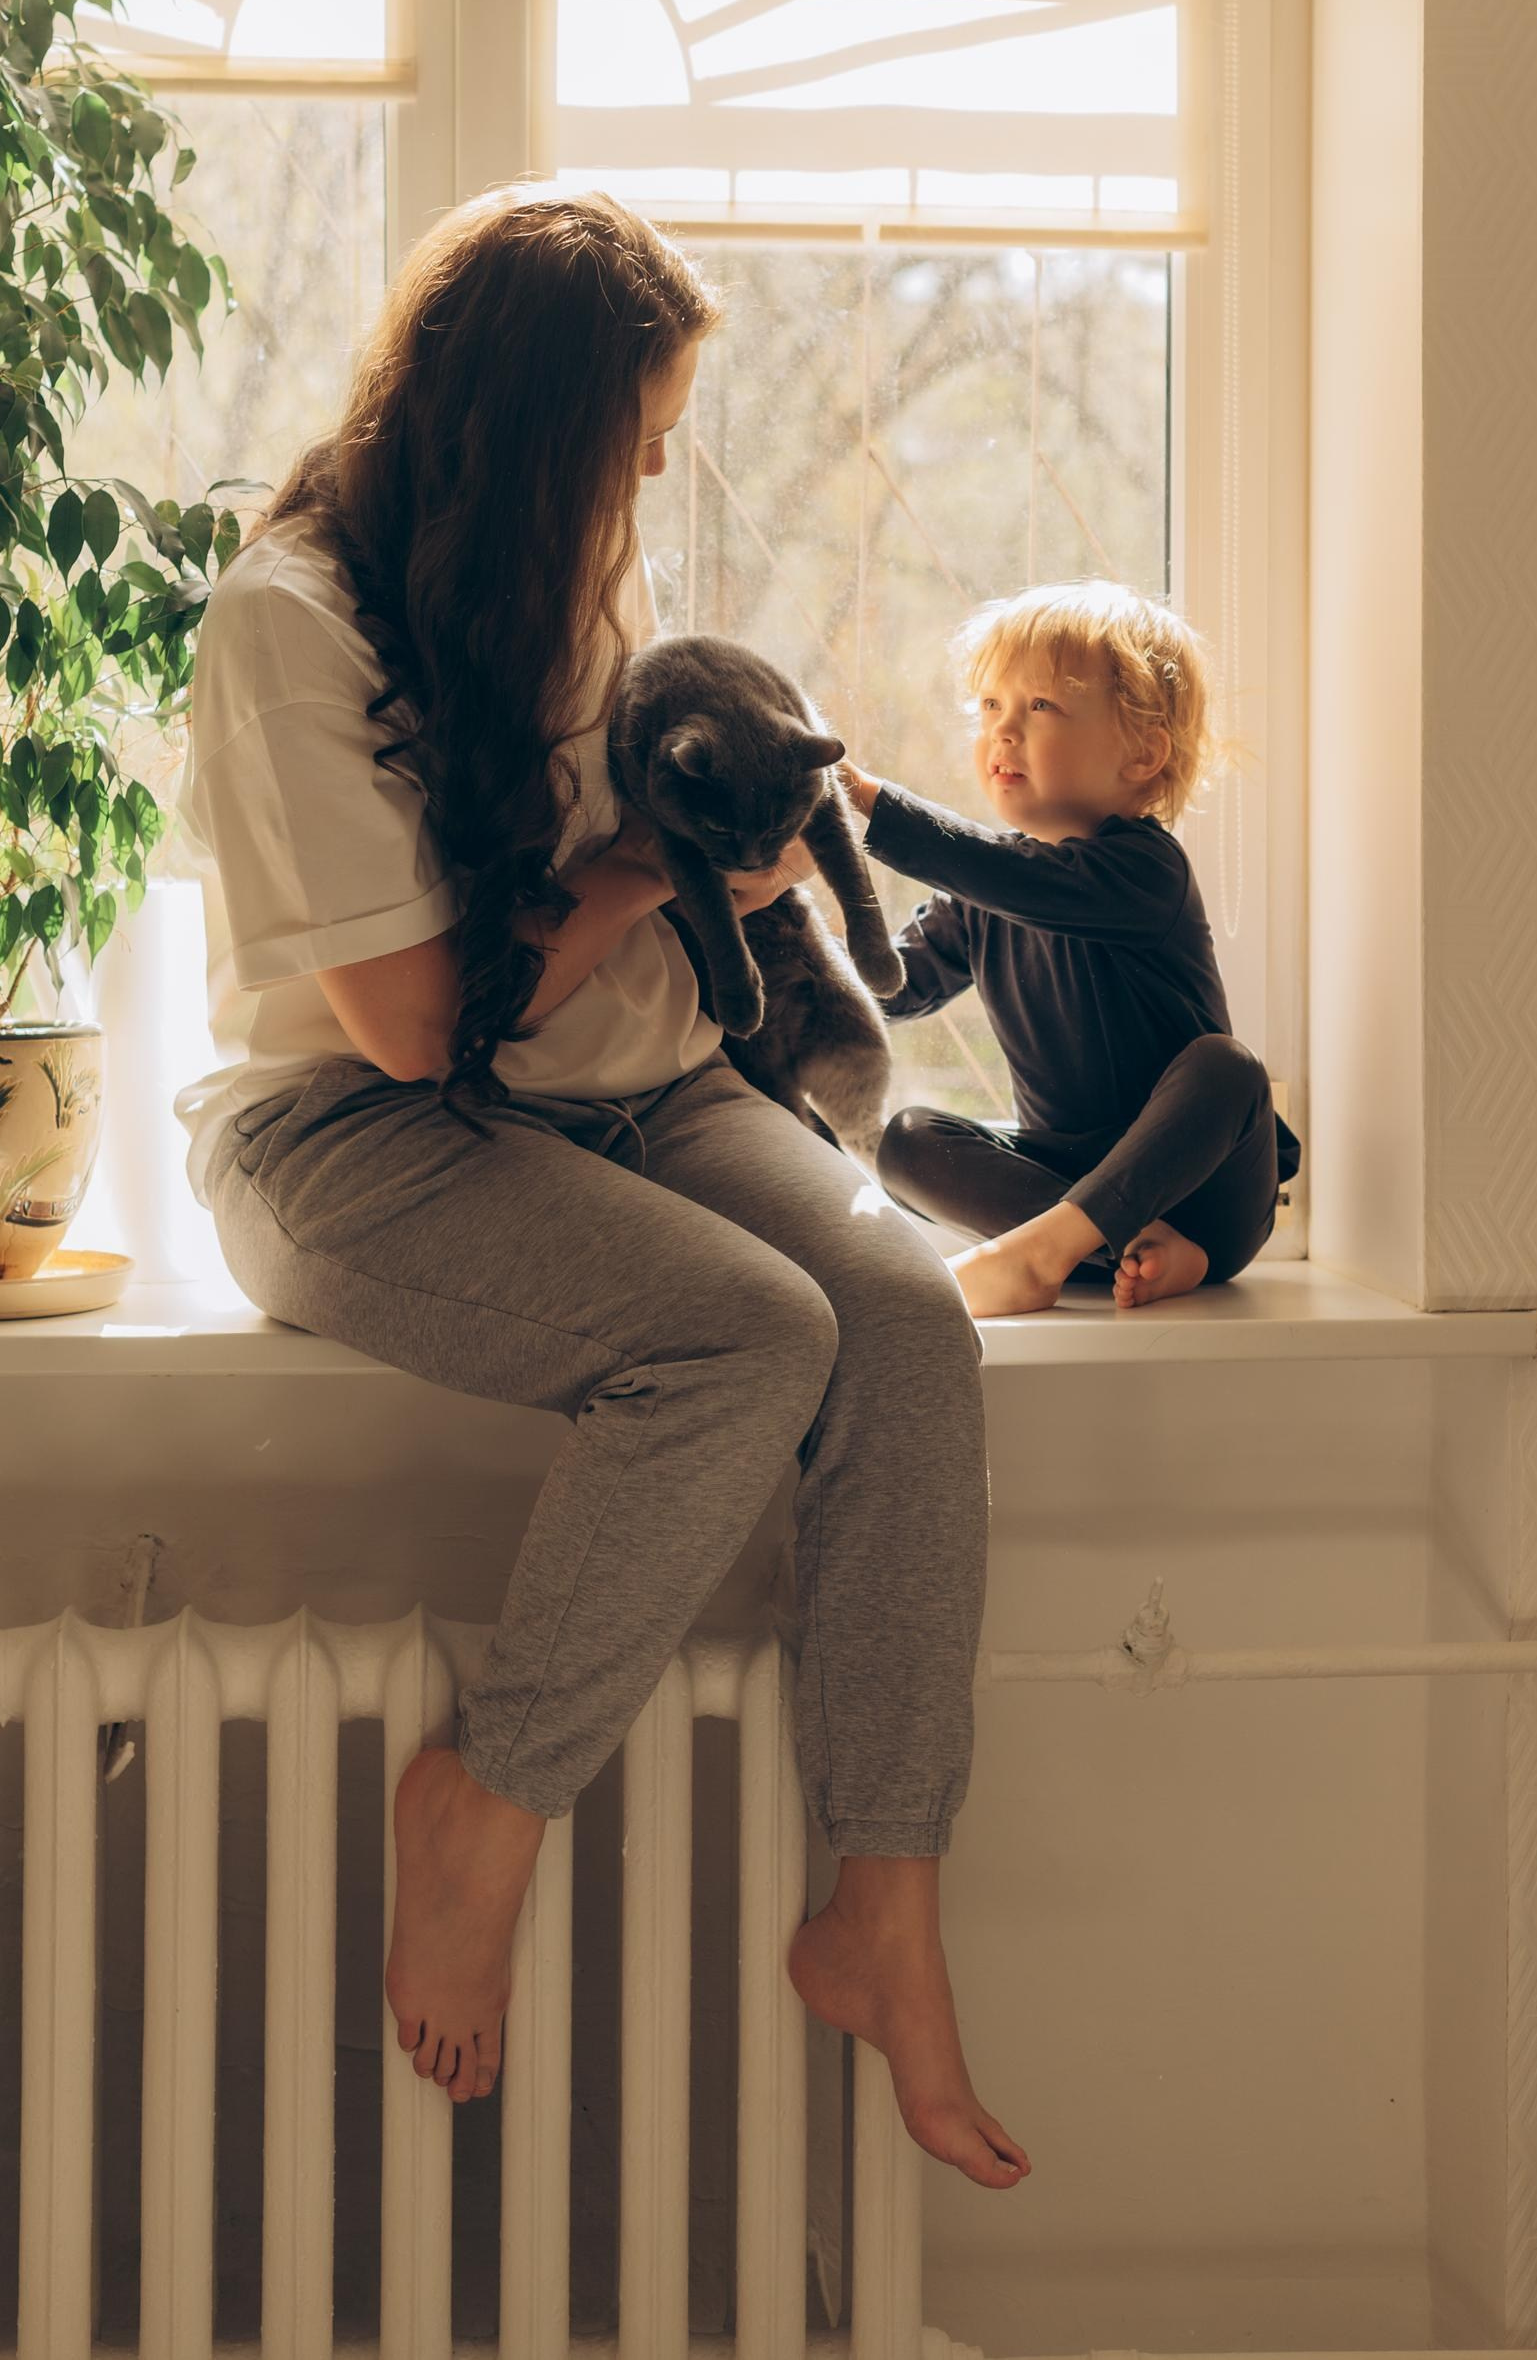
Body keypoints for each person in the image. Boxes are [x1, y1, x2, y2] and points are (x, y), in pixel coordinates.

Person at [174, 186, 1028, 2190]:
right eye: (633, 439)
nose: (651, 478)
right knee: (742, 1336)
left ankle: (880, 1905)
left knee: (898, 1323)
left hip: (630, 1081)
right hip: (355, 1131)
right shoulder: (286, 622)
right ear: (535, 426)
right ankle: (488, 1799)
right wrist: (650, 867)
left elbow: (611, 895)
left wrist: (718, 852)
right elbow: (402, 1019)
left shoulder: (559, 577)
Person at [838, 582, 1300, 1322]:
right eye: (990, 707)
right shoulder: (984, 894)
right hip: (1072, 1188)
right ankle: (1094, 1244)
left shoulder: (1147, 871)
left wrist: (865, 802)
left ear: (1143, 754)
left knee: (1229, 1067)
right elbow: (889, 985)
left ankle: (1069, 1250)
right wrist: (777, 953)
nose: (1003, 732)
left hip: (1207, 1190)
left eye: (1040, 707)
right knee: (907, 1140)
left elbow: (1011, 875)